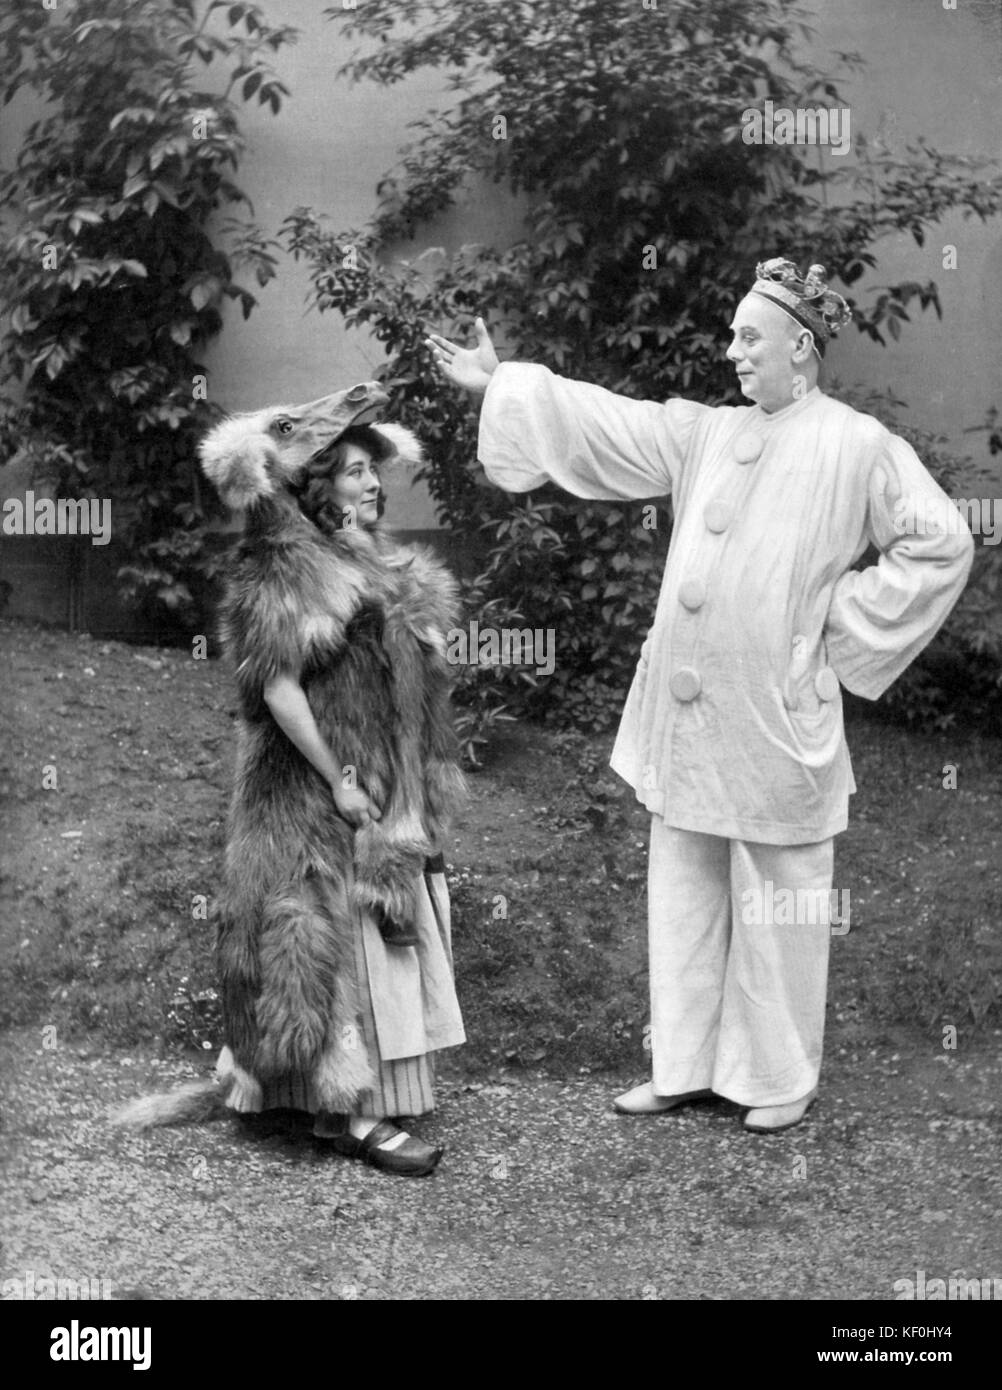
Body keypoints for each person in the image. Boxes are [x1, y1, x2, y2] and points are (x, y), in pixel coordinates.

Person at [426, 257, 974, 1133]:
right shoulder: (707, 433)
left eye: (747, 336)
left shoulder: (856, 443)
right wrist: (502, 384)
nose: (732, 351)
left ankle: (780, 1075)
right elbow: (610, 424)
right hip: (689, 713)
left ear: (802, 345)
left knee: (780, 894)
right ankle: (684, 1066)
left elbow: (941, 542)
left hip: (776, 713)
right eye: (730, 335)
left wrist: (836, 628)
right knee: (685, 888)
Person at [198, 394, 467, 1176]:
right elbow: (277, 687)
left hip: (379, 779)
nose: (372, 483)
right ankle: (351, 1115)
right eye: (354, 471)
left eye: (373, 470)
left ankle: (344, 1102)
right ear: (320, 485)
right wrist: (338, 780)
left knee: (374, 931)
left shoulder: (363, 555)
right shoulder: (289, 562)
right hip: (311, 792)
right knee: (330, 941)